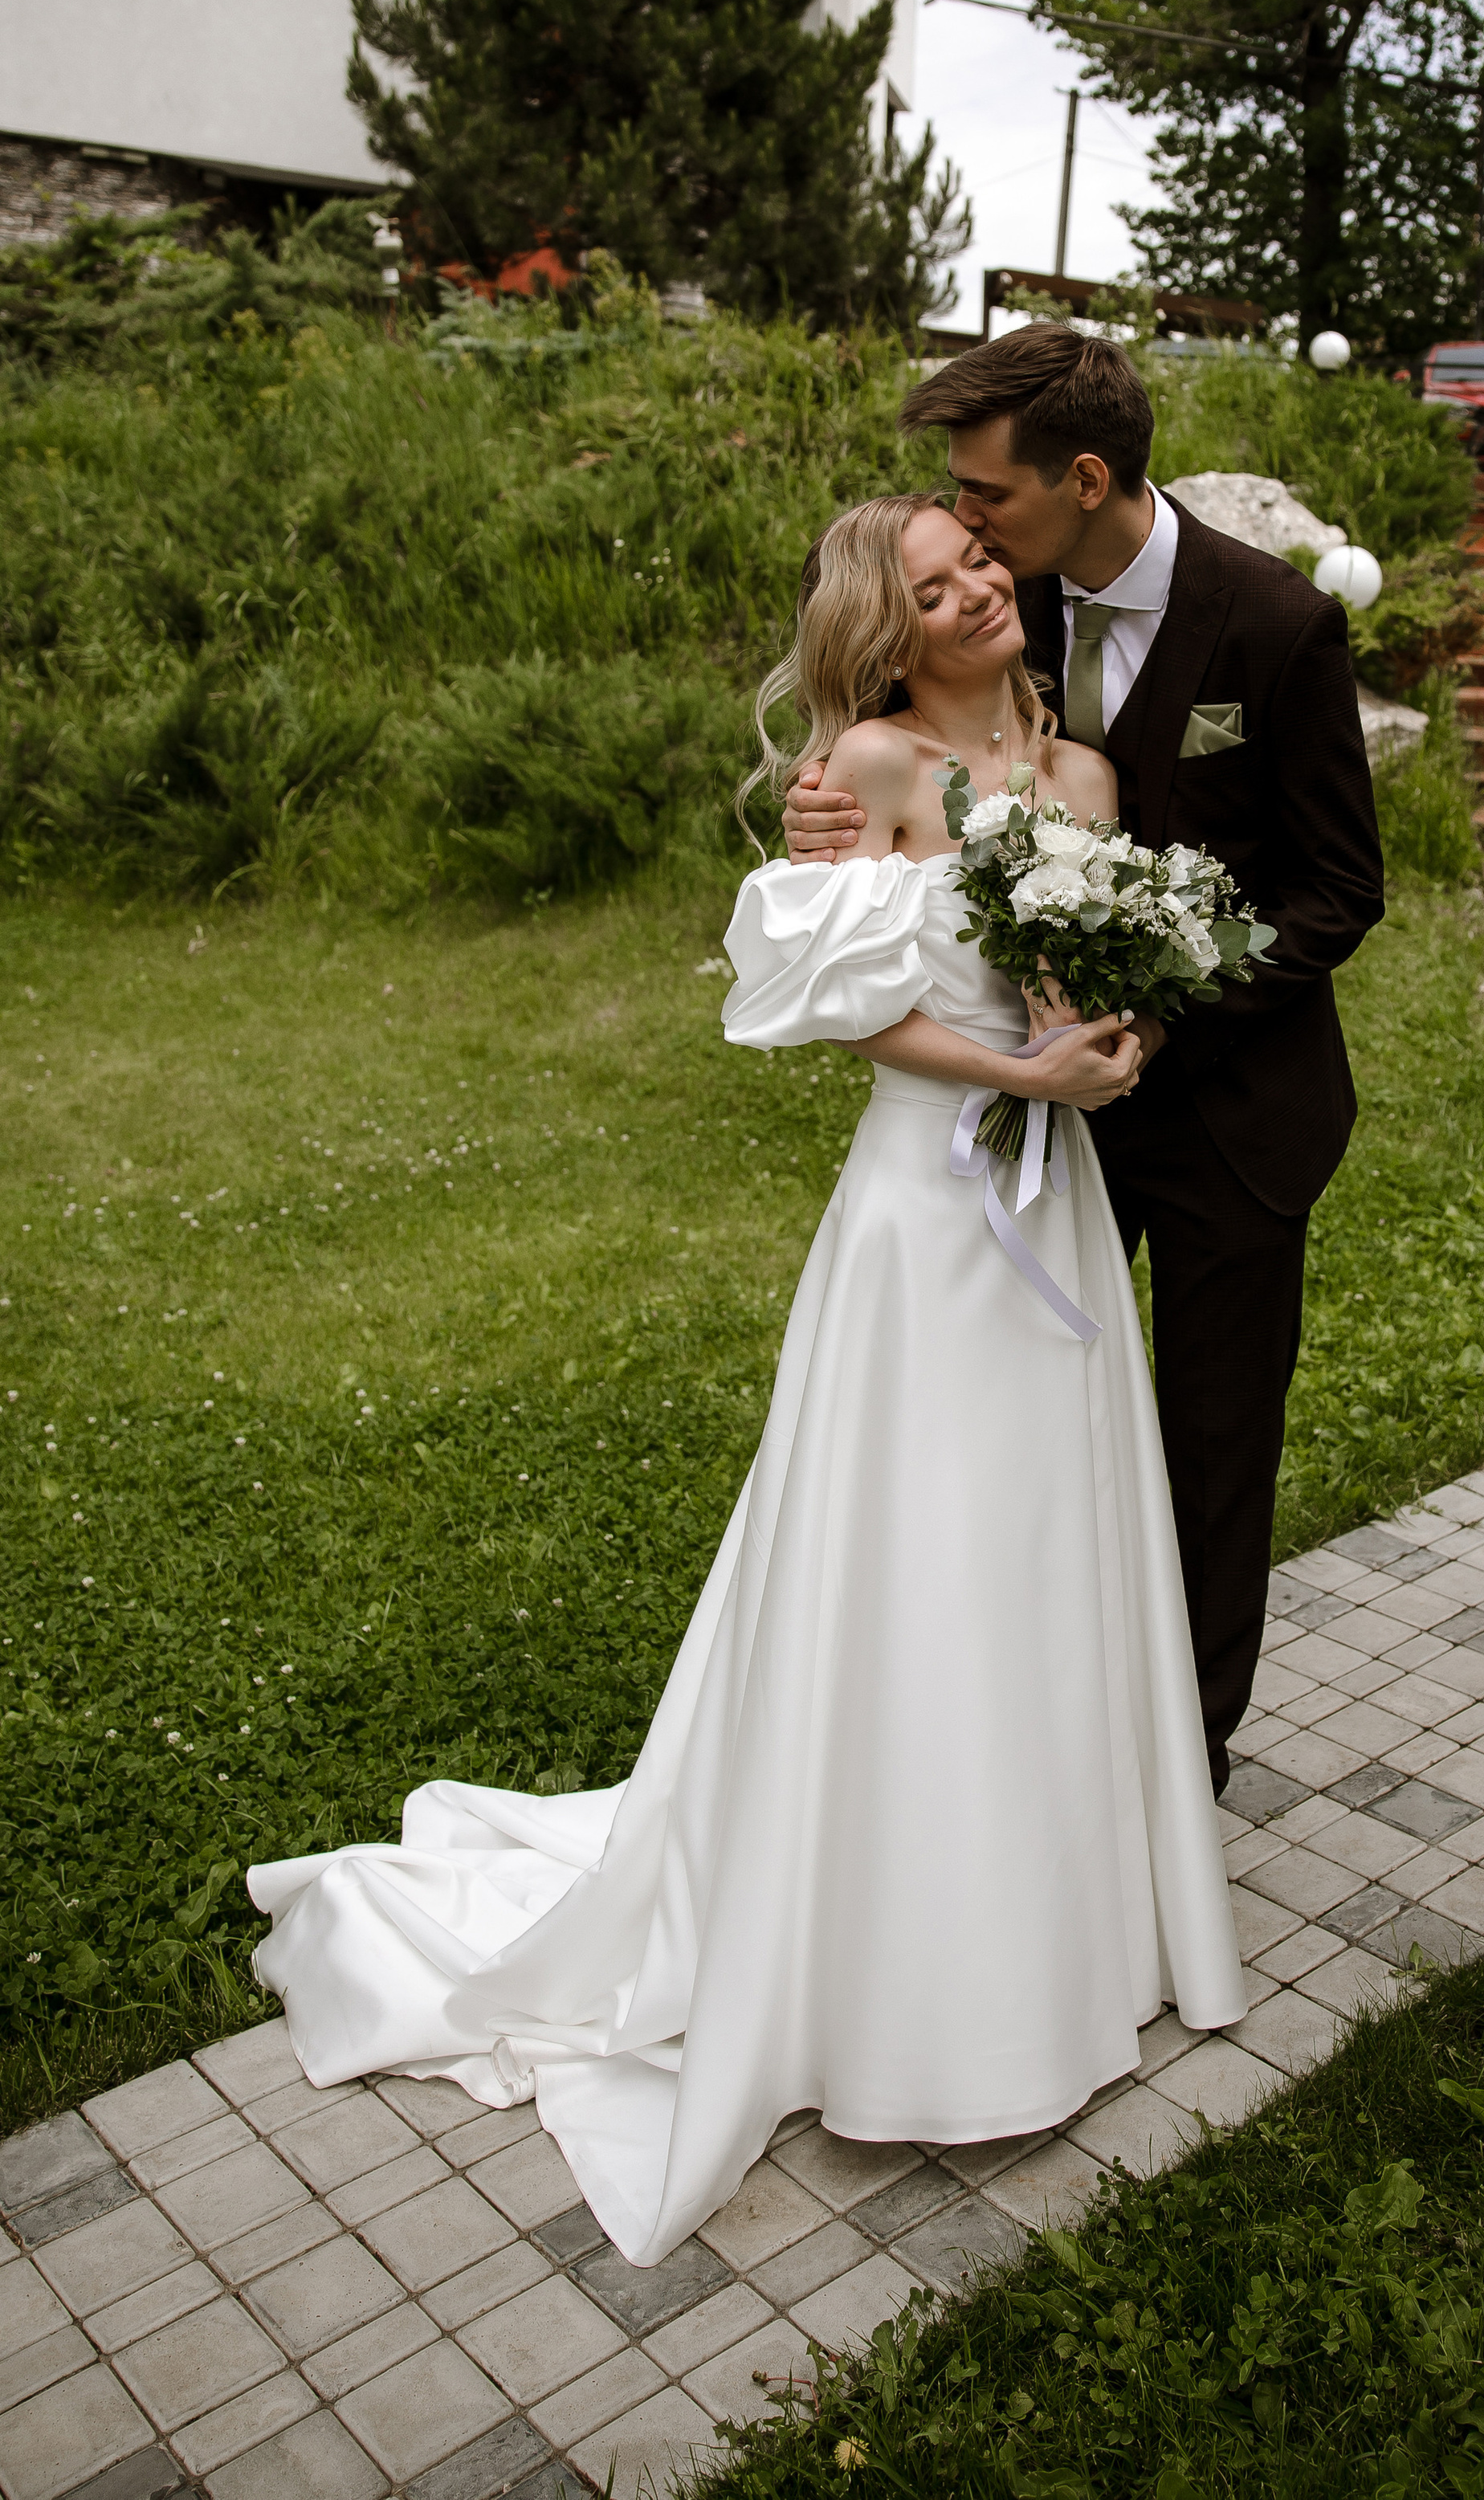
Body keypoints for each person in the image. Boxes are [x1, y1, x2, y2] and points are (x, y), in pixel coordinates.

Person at [247, 491, 1246, 2270]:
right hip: (922, 1212)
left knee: (1040, 1555)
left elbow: (1114, 967)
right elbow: (851, 1014)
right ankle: (887, 1967)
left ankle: (1061, 1935)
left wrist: (1112, 1041)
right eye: (932, 590)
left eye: (978, 565)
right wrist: (1021, 1081)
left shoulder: (1082, 783)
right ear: (894, 627)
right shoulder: (860, 770)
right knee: (909, 1559)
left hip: (1054, 1212)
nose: (974, 596)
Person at [785, 326, 1385, 1795]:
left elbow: (1336, 891)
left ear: (1087, 479)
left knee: (1208, 1445)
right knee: (1030, 1421)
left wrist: (1166, 1003)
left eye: (985, 492)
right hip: (1040, 1127)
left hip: (1240, 1112)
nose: (968, 523)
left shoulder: (1277, 626)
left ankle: (1182, 1766)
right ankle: (1009, 1732)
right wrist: (829, 821)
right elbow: (900, 705)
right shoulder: (1004, 602)